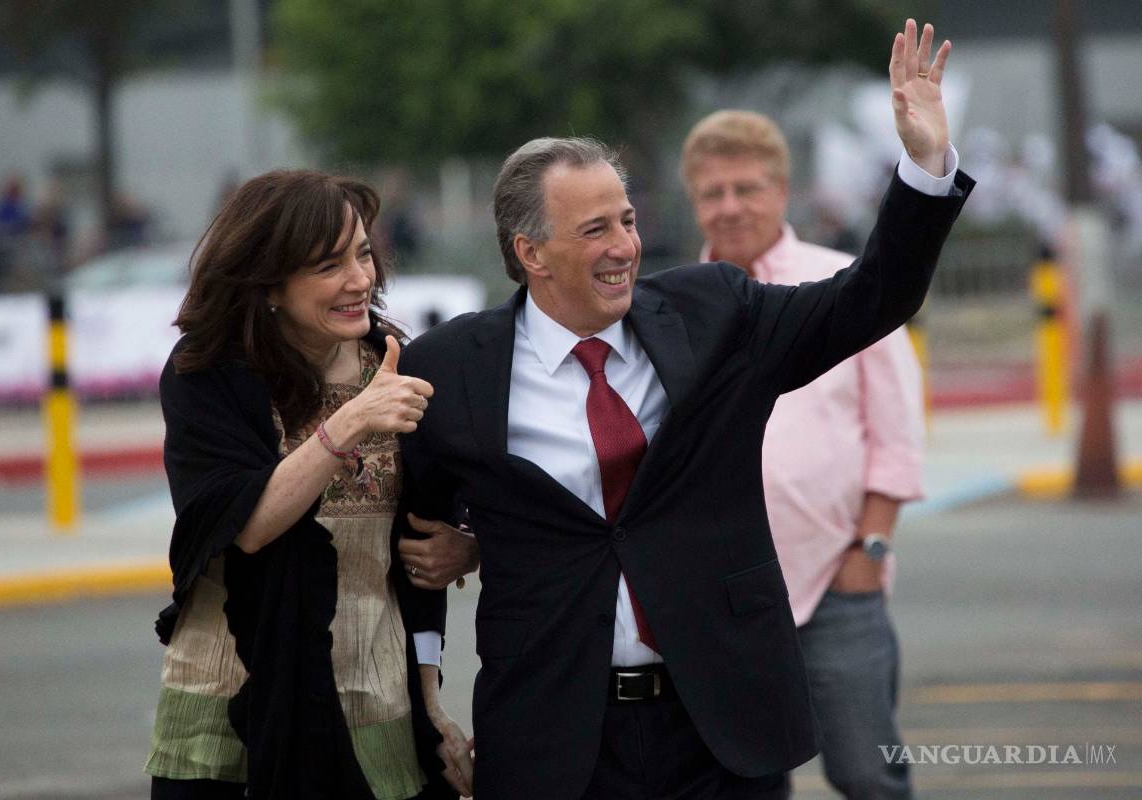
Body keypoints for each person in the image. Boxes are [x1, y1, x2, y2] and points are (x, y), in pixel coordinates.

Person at [392, 20, 969, 800]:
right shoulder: (451, 368)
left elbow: (872, 298)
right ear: (531, 253)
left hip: (719, 730)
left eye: (627, 220)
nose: (624, 246)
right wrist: (426, 693)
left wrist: (925, 166)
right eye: (594, 229)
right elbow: (414, 544)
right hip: (554, 739)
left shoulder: (713, 312)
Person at [145, 170, 477, 799]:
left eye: (363, 254)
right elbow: (246, 526)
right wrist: (350, 421)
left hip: (374, 699)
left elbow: (421, 550)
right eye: (329, 265)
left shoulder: (396, 363)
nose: (360, 280)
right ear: (269, 283)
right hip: (234, 700)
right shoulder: (207, 373)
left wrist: (431, 698)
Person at [681, 109, 924, 798]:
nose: (730, 207)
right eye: (713, 193)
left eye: (747, 188)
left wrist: (869, 551)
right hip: (722, 601)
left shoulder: (846, 285)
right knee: (744, 782)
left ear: (782, 191)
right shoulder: (670, 307)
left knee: (867, 775)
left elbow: (897, 435)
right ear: (694, 201)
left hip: (837, 583)